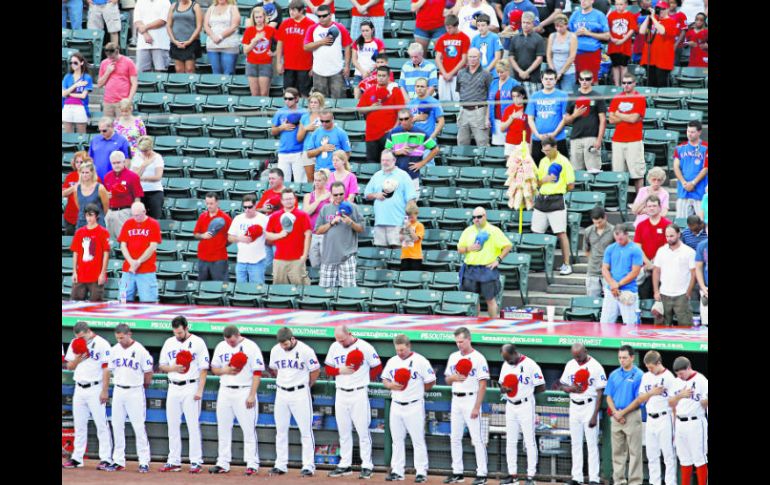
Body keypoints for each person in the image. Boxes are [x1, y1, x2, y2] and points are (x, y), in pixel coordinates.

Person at [324, 325, 382, 478]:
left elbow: (377, 366)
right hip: (341, 393)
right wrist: (340, 371)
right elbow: (328, 369)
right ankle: (345, 464)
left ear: (349, 334)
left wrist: (364, 377)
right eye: (338, 340)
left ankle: (367, 465)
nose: (341, 343)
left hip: (358, 392)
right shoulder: (334, 347)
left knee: (363, 431)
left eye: (342, 340)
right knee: (343, 432)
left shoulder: (365, 347)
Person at [208, 325, 265, 476]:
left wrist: (252, 394)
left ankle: (252, 463)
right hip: (225, 390)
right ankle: (223, 463)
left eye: (232, 342)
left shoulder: (251, 347)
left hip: (244, 390)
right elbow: (214, 368)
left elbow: (257, 372)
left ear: (238, 335)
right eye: (228, 341)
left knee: (248, 429)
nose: (230, 344)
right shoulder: (221, 346)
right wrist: (224, 370)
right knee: (223, 428)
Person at [615, 350, 678, 485]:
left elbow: (674, 403)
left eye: (651, 367)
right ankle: (654, 482)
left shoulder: (669, 377)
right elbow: (641, 398)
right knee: (652, 455)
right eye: (647, 367)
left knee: (668, 455)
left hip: (665, 417)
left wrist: (675, 423)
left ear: (658, 363)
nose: (649, 369)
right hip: (650, 418)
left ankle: (670, 482)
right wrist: (652, 392)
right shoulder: (647, 376)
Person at [158, 316, 210, 474]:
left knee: (192, 425)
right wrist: (173, 368)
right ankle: (174, 461)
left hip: (190, 386)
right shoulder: (169, 342)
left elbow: (203, 368)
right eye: (175, 332)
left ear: (186, 328)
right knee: (172, 425)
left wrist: (200, 390)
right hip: (173, 386)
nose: (178, 335)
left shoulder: (198, 342)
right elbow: (162, 365)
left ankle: (196, 461)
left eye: (180, 332)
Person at [381, 334, 436, 483]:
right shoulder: (393, 361)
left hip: (414, 405)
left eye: (402, 350)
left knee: (417, 440)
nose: (400, 352)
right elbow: (385, 379)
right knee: (397, 440)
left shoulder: (420, 361)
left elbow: (431, 381)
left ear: (409, 346)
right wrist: (390, 385)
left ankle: (421, 472)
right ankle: (398, 471)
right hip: (396, 404)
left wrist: (419, 390)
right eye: (397, 350)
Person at [268, 327, 321, 477]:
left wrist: (307, 385)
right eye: (281, 344)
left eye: (285, 343)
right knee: (281, 431)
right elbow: (274, 369)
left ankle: (308, 466)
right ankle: (280, 464)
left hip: (300, 393)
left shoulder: (305, 350)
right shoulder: (275, 350)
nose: (283, 347)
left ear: (292, 339)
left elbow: (315, 370)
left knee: (305, 431)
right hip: (281, 392)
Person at [62, 322, 114, 471]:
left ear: (89, 331)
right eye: (78, 337)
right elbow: (69, 366)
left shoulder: (102, 343)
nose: (81, 339)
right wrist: (79, 357)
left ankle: (105, 458)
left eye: (83, 336)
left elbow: (106, 369)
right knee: (79, 425)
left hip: (95, 387)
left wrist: (104, 390)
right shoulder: (75, 343)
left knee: (101, 424)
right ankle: (77, 458)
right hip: (79, 387)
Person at [443, 328, 490, 485]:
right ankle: (457, 472)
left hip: (471, 399)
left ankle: (482, 474)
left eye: (461, 341)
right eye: (456, 341)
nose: (459, 344)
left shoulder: (478, 358)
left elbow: (483, 385)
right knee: (454, 437)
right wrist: (453, 377)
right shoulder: (453, 357)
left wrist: (477, 407)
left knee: (477, 438)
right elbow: (447, 380)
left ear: (469, 339)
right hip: (456, 399)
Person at [558, 343, 607, 485]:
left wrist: (594, 415)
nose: (578, 360)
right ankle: (577, 477)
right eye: (575, 357)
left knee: (592, 444)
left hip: (589, 405)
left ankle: (594, 478)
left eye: (579, 356)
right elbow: (562, 385)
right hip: (574, 406)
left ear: (585, 351)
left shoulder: (596, 366)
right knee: (575, 443)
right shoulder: (570, 365)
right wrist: (570, 389)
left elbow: (600, 392)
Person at [108, 324, 154, 473]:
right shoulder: (114, 350)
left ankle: (144, 461)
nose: (120, 340)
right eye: (118, 338)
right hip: (119, 390)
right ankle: (118, 460)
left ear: (129, 334)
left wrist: (142, 386)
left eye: (122, 337)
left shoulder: (140, 350)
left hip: (135, 391)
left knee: (139, 426)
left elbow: (148, 372)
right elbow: (110, 370)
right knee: (117, 425)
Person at [498, 343, 545, 485]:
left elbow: (541, 386)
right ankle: (512, 475)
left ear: (514, 353)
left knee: (529, 441)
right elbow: (501, 385)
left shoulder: (531, 364)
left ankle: (531, 476)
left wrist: (526, 393)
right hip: (510, 405)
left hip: (525, 405)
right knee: (510, 441)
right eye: (505, 359)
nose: (507, 361)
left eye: (508, 358)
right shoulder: (505, 365)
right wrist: (504, 390)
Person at [457, 207, 513, 318]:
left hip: (487, 269)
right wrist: (469, 248)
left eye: (479, 217)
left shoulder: (493, 230)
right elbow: (459, 249)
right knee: (474, 299)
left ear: (485, 216)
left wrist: (498, 260)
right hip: (470, 269)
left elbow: (508, 246)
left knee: (490, 300)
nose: (476, 219)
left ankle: (493, 324)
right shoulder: (468, 231)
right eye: (474, 217)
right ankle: (474, 325)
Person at [533, 136, 574, 275]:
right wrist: (544, 180)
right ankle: (539, 263)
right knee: (536, 233)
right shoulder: (543, 161)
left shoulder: (564, 162)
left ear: (555, 147)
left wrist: (557, 188)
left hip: (556, 200)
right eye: (544, 150)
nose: (546, 153)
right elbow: (537, 183)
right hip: (541, 200)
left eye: (548, 150)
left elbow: (571, 185)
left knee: (561, 233)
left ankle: (567, 264)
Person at [603, 345, 644, 485]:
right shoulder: (614, 374)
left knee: (635, 452)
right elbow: (608, 396)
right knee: (617, 452)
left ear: (632, 358)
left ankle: (635, 482)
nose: (622, 360)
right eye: (620, 357)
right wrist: (615, 412)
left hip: (631, 415)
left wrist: (622, 413)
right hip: (616, 416)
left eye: (625, 357)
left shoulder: (639, 375)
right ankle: (619, 481)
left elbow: (639, 400)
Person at [364, 150, 418, 249]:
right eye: (383, 160)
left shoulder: (403, 175)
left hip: (399, 223)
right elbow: (366, 194)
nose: (384, 162)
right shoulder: (377, 175)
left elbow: (411, 199)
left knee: (400, 256)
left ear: (394, 160)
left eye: (387, 160)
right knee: (381, 256)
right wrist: (376, 195)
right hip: (380, 223)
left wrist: (408, 221)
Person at [315, 182, 365, 287]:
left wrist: (350, 222)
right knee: (325, 291)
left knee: (348, 292)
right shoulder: (326, 208)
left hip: (347, 255)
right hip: (328, 256)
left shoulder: (353, 207)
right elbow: (318, 230)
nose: (338, 197)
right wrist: (331, 223)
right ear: (331, 194)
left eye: (341, 194)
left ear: (345, 193)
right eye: (335, 194)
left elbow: (361, 229)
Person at [668, 357, 709, 485]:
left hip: (696, 421)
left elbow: (706, 401)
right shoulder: (676, 382)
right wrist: (681, 395)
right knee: (684, 459)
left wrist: (704, 401)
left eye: (681, 373)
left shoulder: (701, 380)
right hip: (680, 422)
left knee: (699, 458)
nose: (680, 376)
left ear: (688, 368)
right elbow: (670, 402)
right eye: (677, 374)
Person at [357, 66, 407, 164]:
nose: (380, 78)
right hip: (371, 134)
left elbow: (401, 112)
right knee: (371, 162)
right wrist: (372, 108)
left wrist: (394, 129)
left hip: (387, 134)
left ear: (388, 77)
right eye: (379, 75)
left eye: (383, 76)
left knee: (389, 161)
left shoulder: (395, 91)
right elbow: (359, 109)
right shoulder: (369, 90)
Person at [384, 109, 440, 191]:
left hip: (412, 175)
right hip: (395, 175)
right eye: (401, 119)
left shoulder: (421, 133)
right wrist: (398, 152)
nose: (403, 121)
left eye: (406, 118)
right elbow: (386, 152)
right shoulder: (393, 132)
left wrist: (422, 163)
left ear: (411, 118)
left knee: (412, 201)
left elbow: (435, 149)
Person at [304, 4, 353, 98]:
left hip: (336, 70)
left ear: (330, 15)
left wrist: (347, 65)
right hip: (319, 71)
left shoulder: (340, 27)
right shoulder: (312, 29)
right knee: (321, 102)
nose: (321, 18)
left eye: (324, 16)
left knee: (338, 100)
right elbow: (306, 47)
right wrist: (321, 42)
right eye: (319, 16)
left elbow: (347, 46)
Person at [608, 72, 646, 191]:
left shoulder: (639, 98)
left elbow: (633, 119)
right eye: (624, 83)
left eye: (629, 83)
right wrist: (627, 117)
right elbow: (611, 120)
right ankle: (620, 202)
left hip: (634, 140)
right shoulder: (617, 97)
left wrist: (619, 114)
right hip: (618, 140)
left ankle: (640, 201)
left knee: (637, 173)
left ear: (634, 83)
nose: (626, 85)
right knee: (618, 174)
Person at [265, 188, 312, 285]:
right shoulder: (274, 216)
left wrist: (305, 255)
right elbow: (267, 235)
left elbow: (308, 235)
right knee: (279, 290)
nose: (289, 201)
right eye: (286, 199)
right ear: (282, 201)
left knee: (301, 288)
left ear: (295, 199)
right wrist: (279, 235)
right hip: (279, 259)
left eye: (291, 198)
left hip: (297, 259)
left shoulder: (303, 215)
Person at [600, 224, 643, 324]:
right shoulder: (610, 248)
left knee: (630, 323)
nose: (619, 240)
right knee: (605, 322)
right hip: (611, 290)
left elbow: (635, 272)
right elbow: (604, 268)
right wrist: (612, 284)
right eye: (617, 238)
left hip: (628, 290)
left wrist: (617, 285)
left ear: (627, 234)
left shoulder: (635, 249)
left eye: (621, 238)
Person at [653, 224, 696, 325]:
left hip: (682, 294)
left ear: (679, 234)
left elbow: (694, 274)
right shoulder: (661, 251)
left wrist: (688, 292)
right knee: (660, 329)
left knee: (686, 328)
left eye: (671, 236)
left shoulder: (689, 252)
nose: (669, 238)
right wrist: (656, 291)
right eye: (667, 236)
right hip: (663, 294)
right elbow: (656, 271)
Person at [563, 69, 606, 171]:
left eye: (587, 79)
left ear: (592, 80)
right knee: (576, 172)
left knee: (593, 172)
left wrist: (599, 139)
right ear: (579, 80)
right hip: (575, 138)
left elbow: (603, 120)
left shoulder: (597, 96)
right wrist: (575, 115)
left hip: (592, 138)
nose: (584, 81)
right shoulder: (572, 97)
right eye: (582, 79)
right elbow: (566, 120)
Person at [118, 202, 161, 302]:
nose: (135, 217)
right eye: (133, 215)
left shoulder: (153, 224)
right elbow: (123, 245)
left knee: (148, 300)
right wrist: (131, 261)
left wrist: (139, 261)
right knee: (123, 299)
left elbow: (152, 247)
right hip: (128, 270)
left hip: (146, 270)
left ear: (144, 211)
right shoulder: (128, 223)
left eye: (137, 215)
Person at [70, 204, 111, 302]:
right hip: (81, 275)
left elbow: (106, 254)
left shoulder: (103, 232)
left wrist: (102, 273)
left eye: (91, 215)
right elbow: (75, 253)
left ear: (96, 216)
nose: (89, 218)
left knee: (96, 306)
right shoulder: (79, 232)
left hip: (96, 276)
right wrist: (74, 272)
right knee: (75, 304)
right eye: (87, 215)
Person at [634, 195, 672, 300]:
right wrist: (648, 263)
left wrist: (656, 263)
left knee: (661, 298)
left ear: (660, 207)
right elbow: (637, 247)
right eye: (649, 206)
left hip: (663, 268)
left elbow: (668, 245)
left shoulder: (667, 224)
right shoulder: (641, 225)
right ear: (645, 208)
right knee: (644, 296)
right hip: (645, 268)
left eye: (654, 206)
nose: (651, 208)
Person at [526, 69, 568, 162]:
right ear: (542, 80)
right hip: (538, 139)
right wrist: (537, 135)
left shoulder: (563, 95)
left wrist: (554, 134)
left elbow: (565, 118)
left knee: (560, 168)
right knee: (539, 169)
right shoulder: (535, 96)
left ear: (556, 80)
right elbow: (530, 118)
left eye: (551, 79)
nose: (548, 81)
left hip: (558, 138)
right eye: (546, 79)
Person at [275, 0, 315, 96]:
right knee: (288, 93)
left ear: (301, 11)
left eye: (294, 10)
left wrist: (314, 66)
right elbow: (280, 44)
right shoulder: (285, 23)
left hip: (305, 66)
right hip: (289, 65)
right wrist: (278, 62)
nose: (291, 12)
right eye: (290, 10)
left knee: (304, 93)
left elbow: (315, 47)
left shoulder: (311, 24)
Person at [227, 194, 269, 284]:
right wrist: (239, 238)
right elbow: (230, 237)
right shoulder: (238, 218)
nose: (247, 210)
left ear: (255, 205)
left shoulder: (264, 219)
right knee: (241, 290)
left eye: (249, 207)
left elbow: (271, 236)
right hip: (241, 261)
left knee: (257, 289)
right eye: (245, 207)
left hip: (257, 261)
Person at [104, 151, 144, 242]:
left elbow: (137, 196)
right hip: (110, 212)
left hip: (125, 212)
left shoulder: (133, 176)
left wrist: (136, 214)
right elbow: (104, 195)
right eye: (114, 163)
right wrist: (105, 195)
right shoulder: (107, 177)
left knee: (125, 240)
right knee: (109, 241)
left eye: (118, 162)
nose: (116, 165)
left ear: (124, 162)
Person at [456, 48, 493, 146]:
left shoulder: (486, 74)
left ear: (480, 58)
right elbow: (460, 91)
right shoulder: (460, 73)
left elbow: (491, 97)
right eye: (470, 57)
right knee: (461, 142)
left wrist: (487, 117)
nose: (472, 59)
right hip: (463, 111)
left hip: (479, 112)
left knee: (482, 142)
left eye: (475, 57)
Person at [639, 2, 680, 87]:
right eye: (658, 8)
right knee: (650, 84)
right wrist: (648, 17)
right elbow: (641, 31)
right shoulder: (653, 19)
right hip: (651, 58)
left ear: (668, 9)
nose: (660, 11)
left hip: (663, 59)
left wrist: (653, 19)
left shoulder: (672, 21)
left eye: (663, 9)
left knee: (661, 84)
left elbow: (662, 31)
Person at [193, 192, 233, 282]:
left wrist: (222, 245)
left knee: (220, 286)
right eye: (207, 203)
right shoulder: (202, 216)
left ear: (217, 203)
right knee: (202, 286)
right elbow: (196, 234)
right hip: (203, 257)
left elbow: (231, 236)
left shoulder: (225, 218)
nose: (209, 206)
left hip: (219, 258)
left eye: (211, 203)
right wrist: (202, 235)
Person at [568, 0, 609, 83]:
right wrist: (576, 33)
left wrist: (588, 33)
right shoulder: (575, 15)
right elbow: (566, 35)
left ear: (592, 1)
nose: (583, 2)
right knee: (577, 82)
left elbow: (607, 36)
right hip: (576, 53)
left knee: (592, 80)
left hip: (592, 53)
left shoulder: (599, 15)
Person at [271, 87, 307, 183]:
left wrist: (299, 124)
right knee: (282, 183)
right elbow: (273, 131)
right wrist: (281, 128)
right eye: (285, 99)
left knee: (300, 182)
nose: (287, 101)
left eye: (290, 99)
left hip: (299, 152)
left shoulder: (304, 112)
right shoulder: (280, 112)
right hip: (283, 152)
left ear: (296, 99)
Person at [674, 121, 708, 218]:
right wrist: (684, 182)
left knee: (702, 223)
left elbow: (706, 168)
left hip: (700, 191)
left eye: (692, 132)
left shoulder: (706, 147)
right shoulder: (680, 148)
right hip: (683, 191)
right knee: (682, 222)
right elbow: (676, 166)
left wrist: (693, 183)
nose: (689, 134)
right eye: (688, 131)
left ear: (699, 132)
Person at [434, 14, 471, 102]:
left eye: (450, 28)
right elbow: (438, 58)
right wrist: (444, 73)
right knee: (443, 102)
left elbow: (464, 59)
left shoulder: (464, 38)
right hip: (444, 76)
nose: (448, 30)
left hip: (458, 76)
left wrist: (451, 73)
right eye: (446, 27)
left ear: (456, 26)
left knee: (458, 101)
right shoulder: (442, 38)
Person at [97, 43, 138, 119]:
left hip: (122, 101)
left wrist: (129, 99)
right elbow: (99, 85)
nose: (110, 59)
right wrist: (107, 72)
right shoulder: (104, 63)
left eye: (112, 57)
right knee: (108, 127)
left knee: (122, 127)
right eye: (108, 57)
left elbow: (134, 83)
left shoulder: (128, 62)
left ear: (117, 52)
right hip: (108, 101)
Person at [242, 6, 277, 96]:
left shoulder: (270, 29)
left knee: (264, 93)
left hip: (265, 64)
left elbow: (282, 42)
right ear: (253, 18)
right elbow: (245, 50)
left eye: (260, 17)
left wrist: (275, 53)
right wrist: (255, 40)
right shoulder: (249, 31)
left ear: (264, 17)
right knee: (254, 93)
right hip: (251, 64)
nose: (258, 19)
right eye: (256, 17)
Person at [130, 135, 164, 221]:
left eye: (146, 150)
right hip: (140, 192)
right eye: (142, 151)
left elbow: (157, 177)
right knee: (140, 218)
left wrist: (141, 178)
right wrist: (144, 165)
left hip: (155, 191)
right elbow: (134, 177)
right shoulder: (136, 157)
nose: (144, 153)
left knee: (155, 219)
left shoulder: (157, 157)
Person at [583, 206, 614, 298]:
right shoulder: (588, 231)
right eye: (595, 222)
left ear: (605, 217)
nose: (597, 225)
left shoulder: (613, 230)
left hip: (609, 271)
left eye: (600, 222)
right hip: (593, 271)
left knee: (610, 300)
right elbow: (586, 250)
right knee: (592, 299)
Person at [303, 169, 332, 267]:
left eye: (319, 180)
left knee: (326, 264)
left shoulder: (330, 195)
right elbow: (306, 212)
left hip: (326, 234)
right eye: (315, 180)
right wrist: (319, 200)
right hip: (312, 234)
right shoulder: (308, 196)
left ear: (325, 181)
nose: (316, 183)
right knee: (314, 264)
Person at [204, 0, 242, 75]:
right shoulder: (211, 8)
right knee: (216, 73)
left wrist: (220, 36)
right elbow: (205, 25)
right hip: (212, 45)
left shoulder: (233, 8)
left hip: (229, 45)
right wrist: (212, 36)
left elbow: (234, 26)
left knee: (228, 73)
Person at [508, 12, 546, 85]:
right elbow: (511, 57)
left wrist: (527, 72)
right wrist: (520, 71)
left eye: (528, 23)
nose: (525, 25)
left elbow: (539, 59)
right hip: (517, 77)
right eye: (523, 22)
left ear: (533, 24)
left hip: (534, 79)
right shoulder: (515, 38)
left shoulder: (539, 39)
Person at [487, 60, 520, 146]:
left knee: (510, 146)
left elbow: (519, 103)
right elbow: (489, 102)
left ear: (508, 70)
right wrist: (487, 118)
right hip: (495, 120)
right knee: (498, 146)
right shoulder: (494, 83)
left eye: (502, 72)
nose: (499, 74)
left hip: (510, 120)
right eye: (498, 72)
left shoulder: (514, 83)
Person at [133, 0, 171, 73]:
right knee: (142, 73)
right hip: (143, 43)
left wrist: (145, 28)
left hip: (161, 44)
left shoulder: (165, 1)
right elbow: (137, 20)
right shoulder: (140, 1)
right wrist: (145, 34)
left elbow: (162, 21)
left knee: (160, 72)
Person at [89, 117, 131, 182]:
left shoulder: (122, 141)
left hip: (114, 179)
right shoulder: (95, 140)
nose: (101, 133)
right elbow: (90, 158)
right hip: (96, 179)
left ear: (112, 127)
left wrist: (122, 178)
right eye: (100, 130)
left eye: (104, 130)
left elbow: (127, 160)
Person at [167, 0, 203, 74]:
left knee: (189, 69)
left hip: (191, 43)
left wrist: (189, 41)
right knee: (178, 69)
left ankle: (191, 85)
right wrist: (174, 41)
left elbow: (199, 26)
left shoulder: (195, 6)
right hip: (176, 43)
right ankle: (181, 86)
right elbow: (168, 25)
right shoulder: (173, 6)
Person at [63, 152, 95, 235]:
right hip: (71, 217)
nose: (79, 164)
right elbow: (63, 193)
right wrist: (74, 187)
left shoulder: (94, 177)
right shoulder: (70, 176)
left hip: (88, 218)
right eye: (77, 162)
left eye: (81, 162)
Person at [606, 0, 637, 86]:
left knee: (623, 65)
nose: (619, 6)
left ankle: (624, 84)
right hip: (613, 45)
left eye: (621, 4)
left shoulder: (630, 15)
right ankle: (617, 85)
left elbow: (632, 29)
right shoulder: (611, 15)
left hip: (625, 45)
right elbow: (607, 29)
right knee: (615, 65)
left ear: (626, 5)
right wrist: (612, 38)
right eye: (617, 4)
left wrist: (623, 40)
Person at [62, 52, 93, 134]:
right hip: (67, 107)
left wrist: (69, 93)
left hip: (80, 107)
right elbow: (63, 94)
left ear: (81, 63)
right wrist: (76, 85)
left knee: (81, 135)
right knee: (68, 135)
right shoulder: (67, 76)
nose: (73, 64)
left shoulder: (87, 77)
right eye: (71, 63)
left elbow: (83, 96)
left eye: (75, 62)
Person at [298, 92, 327, 181]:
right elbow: (299, 138)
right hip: (307, 151)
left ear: (320, 104)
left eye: (315, 102)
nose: (313, 105)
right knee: (310, 180)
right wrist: (306, 128)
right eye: (311, 102)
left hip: (322, 151)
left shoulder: (325, 116)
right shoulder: (304, 117)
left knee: (323, 179)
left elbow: (330, 134)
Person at [74, 162, 109, 231]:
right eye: (82, 172)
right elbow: (79, 206)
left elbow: (106, 208)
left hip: (97, 223)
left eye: (87, 172)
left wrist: (96, 216)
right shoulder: (76, 188)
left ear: (92, 173)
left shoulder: (100, 188)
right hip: (81, 223)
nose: (84, 175)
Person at [546, 14, 577, 91]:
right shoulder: (552, 36)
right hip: (554, 70)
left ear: (566, 25)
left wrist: (561, 72)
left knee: (566, 96)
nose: (559, 29)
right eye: (557, 26)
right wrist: (552, 70)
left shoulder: (572, 37)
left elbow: (572, 57)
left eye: (561, 26)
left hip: (568, 72)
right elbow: (549, 55)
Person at [351, 20, 384, 89]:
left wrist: (369, 71)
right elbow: (354, 60)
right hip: (359, 74)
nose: (365, 33)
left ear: (372, 30)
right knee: (357, 98)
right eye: (363, 31)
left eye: (367, 30)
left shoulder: (378, 42)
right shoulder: (356, 43)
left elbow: (381, 59)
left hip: (373, 75)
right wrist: (363, 71)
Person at [500, 85, 531, 155]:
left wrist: (530, 145)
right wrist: (511, 118)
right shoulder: (509, 109)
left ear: (523, 95)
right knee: (510, 165)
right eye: (513, 96)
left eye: (518, 96)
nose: (515, 99)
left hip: (524, 143)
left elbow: (532, 130)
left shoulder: (529, 108)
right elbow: (502, 129)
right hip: (510, 143)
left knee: (524, 165)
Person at [471, 14, 503, 81]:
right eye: (478, 25)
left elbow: (498, 57)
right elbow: (472, 57)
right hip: (478, 75)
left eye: (483, 25)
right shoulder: (475, 39)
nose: (480, 28)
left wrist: (487, 70)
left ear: (488, 25)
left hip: (493, 75)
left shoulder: (494, 37)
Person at [400, 201, 424, 271]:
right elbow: (400, 240)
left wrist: (409, 227)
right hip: (404, 256)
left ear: (416, 214)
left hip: (415, 257)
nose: (410, 219)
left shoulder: (419, 225)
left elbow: (416, 239)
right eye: (408, 217)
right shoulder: (404, 225)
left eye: (412, 217)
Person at [694, 227, 708, 325]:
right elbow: (698, 268)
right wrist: (703, 287)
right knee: (706, 323)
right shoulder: (702, 246)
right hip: (706, 289)